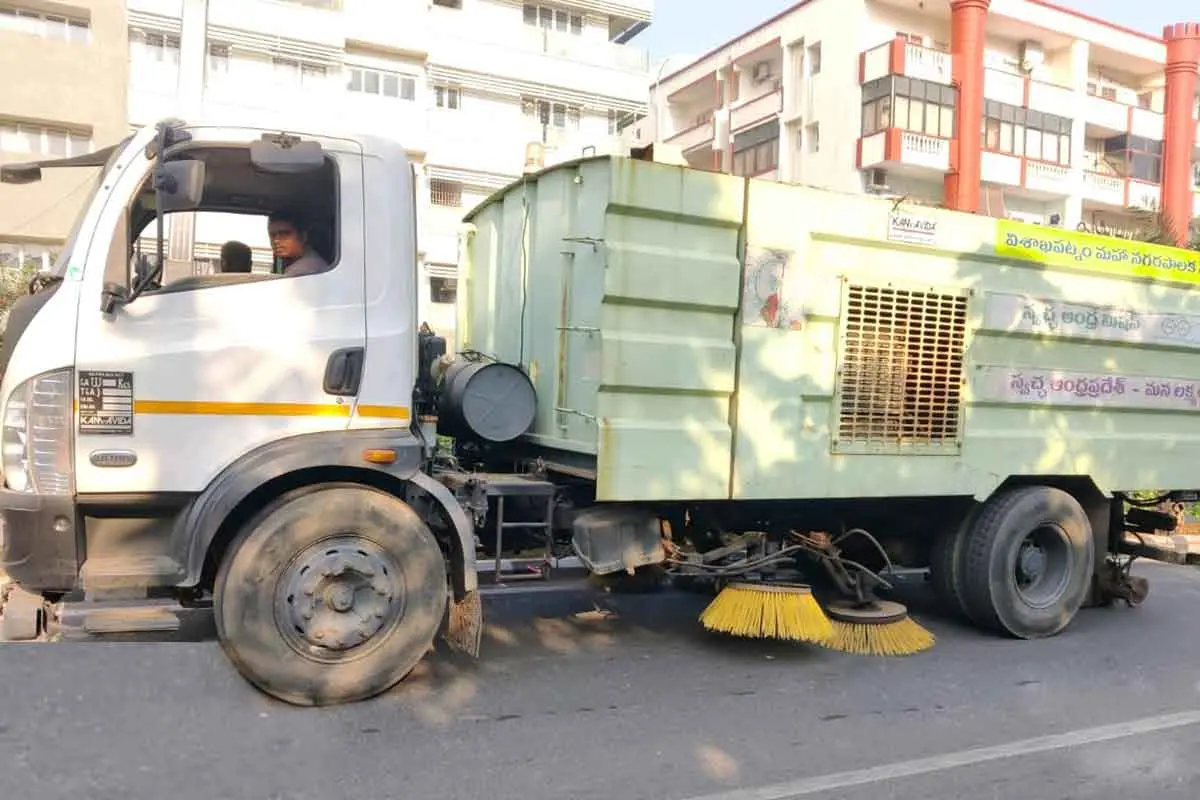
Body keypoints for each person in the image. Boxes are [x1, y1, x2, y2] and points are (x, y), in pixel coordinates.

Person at [266, 208, 331, 277]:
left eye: (284, 234)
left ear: (303, 236)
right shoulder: (288, 262)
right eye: (272, 235)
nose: (276, 240)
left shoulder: (303, 270)